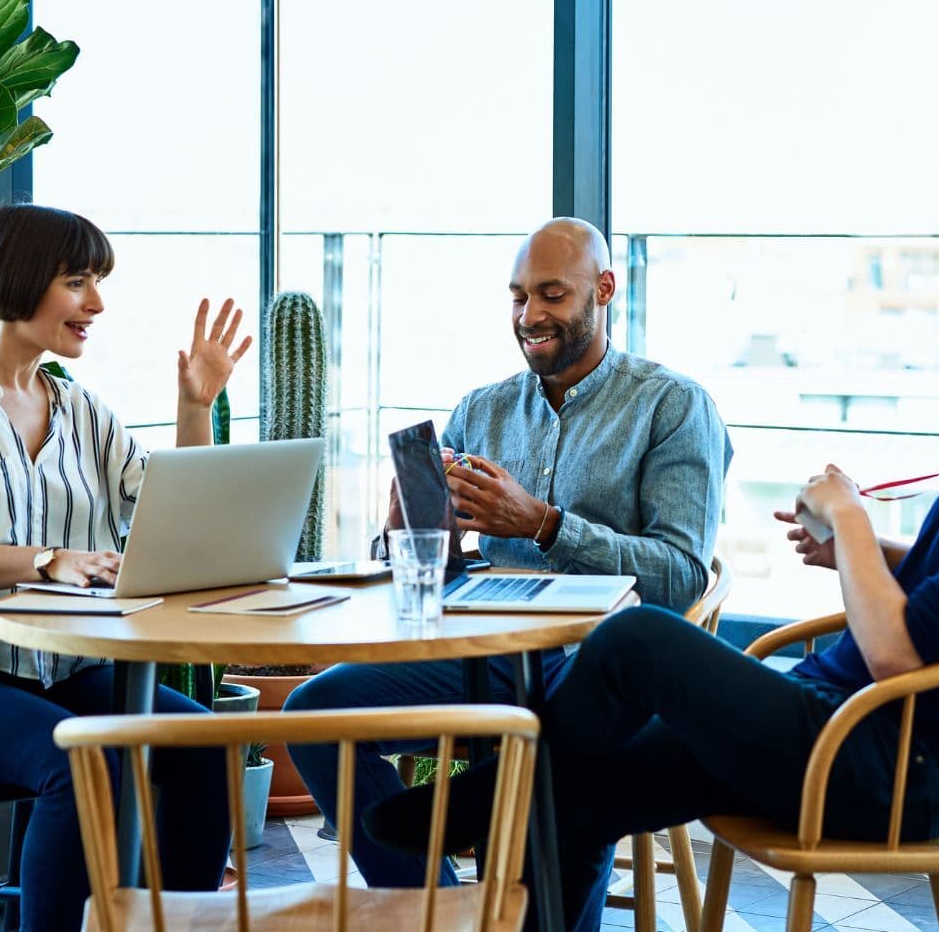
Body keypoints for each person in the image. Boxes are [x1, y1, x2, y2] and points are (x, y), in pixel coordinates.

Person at [363, 219, 939, 931]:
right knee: (576, 795)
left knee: (637, 640)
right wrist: (856, 553)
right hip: (832, 712)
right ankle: (503, 793)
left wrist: (857, 521)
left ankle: (488, 791)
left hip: (887, 770)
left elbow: (903, 655)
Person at [286, 216, 732, 886]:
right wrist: (406, 532)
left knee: (563, 750)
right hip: (480, 658)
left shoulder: (671, 406)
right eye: (519, 296)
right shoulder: (482, 409)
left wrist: (545, 524)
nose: (530, 315)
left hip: (597, 671)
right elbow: (433, 571)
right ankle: (425, 906)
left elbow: (680, 578)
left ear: (604, 289)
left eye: (552, 295)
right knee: (314, 713)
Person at [0, 203, 251, 931]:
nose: (97, 304)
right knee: (82, 767)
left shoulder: (80, 410)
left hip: (60, 673)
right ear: (17, 282)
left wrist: (194, 405)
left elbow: (175, 519)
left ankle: (173, 924)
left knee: (208, 745)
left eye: (96, 283)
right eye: (78, 282)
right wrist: (47, 561)